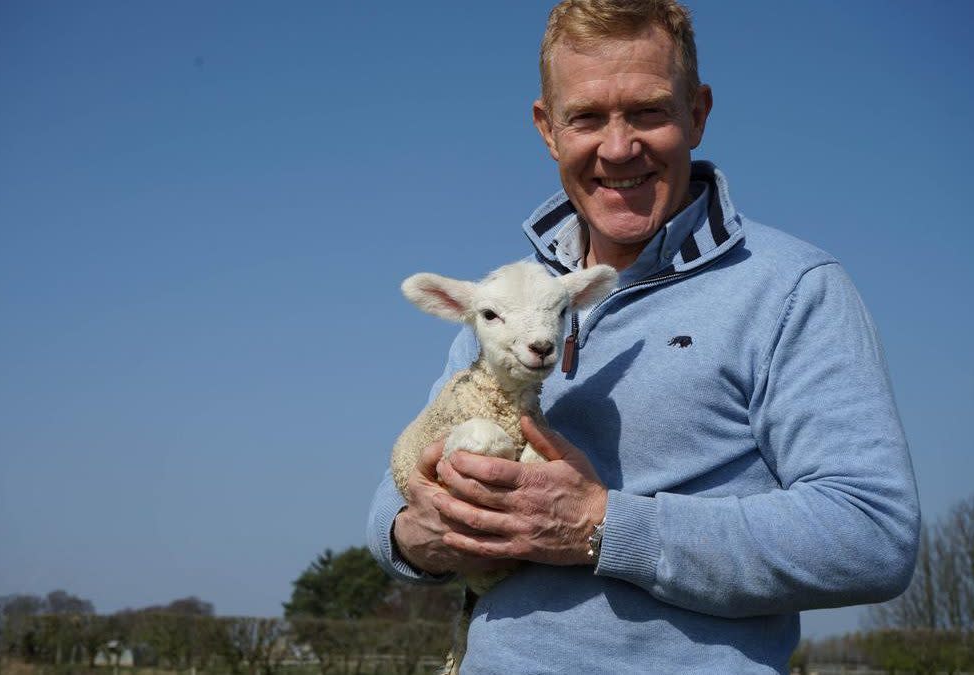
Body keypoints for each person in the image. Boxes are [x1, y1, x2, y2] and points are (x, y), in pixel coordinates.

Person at [367, 0, 920, 672]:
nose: (619, 146)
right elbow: (390, 516)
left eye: (649, 111)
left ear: (698, 112)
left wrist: (602, 525)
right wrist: (427, 530)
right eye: (587, 117)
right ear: (547, 128)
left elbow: (871, 535)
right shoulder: (505, 302)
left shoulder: (793, 288)